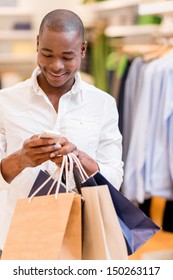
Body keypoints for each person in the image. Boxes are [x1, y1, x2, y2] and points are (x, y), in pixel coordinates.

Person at [0, 9, 123, 250]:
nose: (56, 66)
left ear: (83, 50)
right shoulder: (5, 101)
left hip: (81, 238)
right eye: (47, 54)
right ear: (37, 44)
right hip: (15, 236)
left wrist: (79, 159)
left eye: (67, 57)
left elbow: (114, 180)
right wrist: (21, 159)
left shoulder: (103, 104)